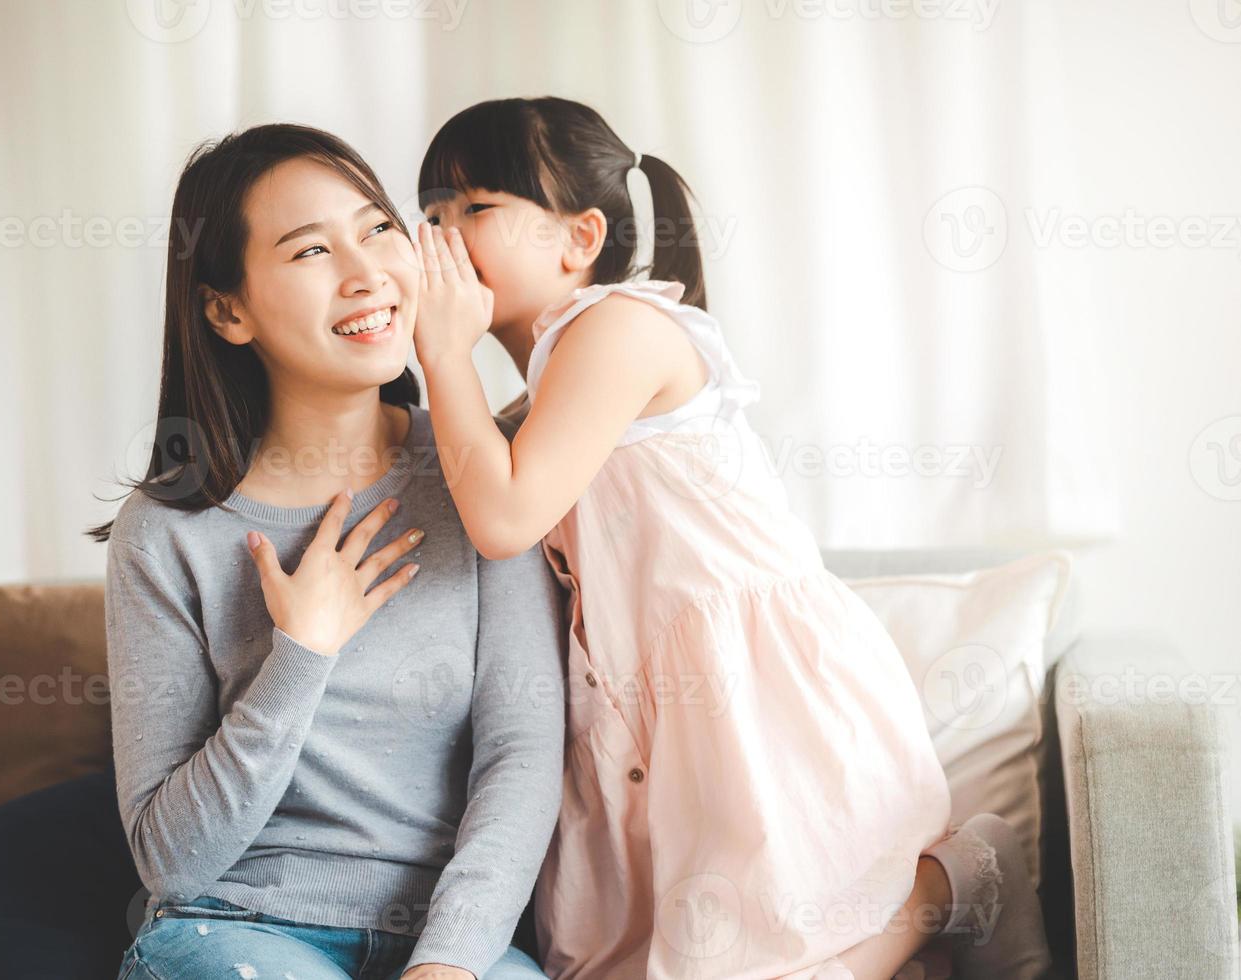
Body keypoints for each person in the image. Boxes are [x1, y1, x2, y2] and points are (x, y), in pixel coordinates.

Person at [409, 96, 1053, 979]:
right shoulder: (539, 391)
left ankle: (949, 883)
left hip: (755, 694)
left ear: (579, 237)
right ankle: (927, 925)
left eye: (474, 210)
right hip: (658, 713)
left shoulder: (618, 328)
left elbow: (502, 517)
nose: (438, 241)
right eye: (430, 217)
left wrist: (441, 356)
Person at [94, 123, 566, 980]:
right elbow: (168, 859)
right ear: (226, 310)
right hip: (237, 931)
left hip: (451, 944)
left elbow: (522, 753)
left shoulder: (478, 478)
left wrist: (450, 962)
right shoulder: (168, 532)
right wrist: (300, 654)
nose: (366, 274)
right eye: (310, 250)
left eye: (377, 229)